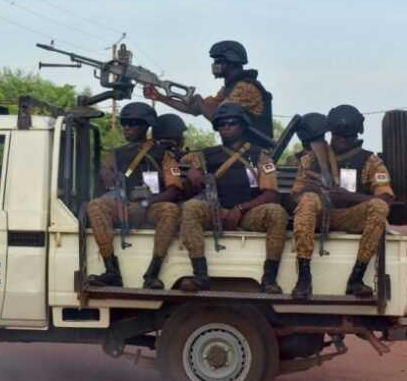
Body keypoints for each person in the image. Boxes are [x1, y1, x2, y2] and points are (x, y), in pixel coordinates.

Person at [178, 103, 288, 292]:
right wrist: (192, 173)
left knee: (277, 213)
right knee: (190, 208)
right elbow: (176, 161)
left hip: (248, 213)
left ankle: (269, 279)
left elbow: (271, 193)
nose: (226, 127)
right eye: (222, 124)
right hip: (216, 210)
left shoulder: (260, 156)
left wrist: (240, 209)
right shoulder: (205, 155)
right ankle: (200, 275)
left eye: (232, 123)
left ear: (243, 126)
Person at [291, 105, 394, 299]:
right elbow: (293, 197)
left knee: (379, 207)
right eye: (337, 136)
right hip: (318, 216)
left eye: (347, 137)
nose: (340, 141)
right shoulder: (310, 159)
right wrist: (310, 189)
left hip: (350, 216)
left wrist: (348, 196)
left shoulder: (370, 161)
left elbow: (387, 197)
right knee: (307, 200)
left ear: (356, 136)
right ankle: (304, 278)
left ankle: (356, 278)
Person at [87, 102, 183, 289]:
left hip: (152, 207)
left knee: (171, 210)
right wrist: (106, 175)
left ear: (146, 126)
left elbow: (174, 189)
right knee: (96, 206)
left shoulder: (164, 155)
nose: (127, 128)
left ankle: (153, 273)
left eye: (133, 124)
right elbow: (105, 180)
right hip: (125, 207)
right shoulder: (115, 154)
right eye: (125, 124)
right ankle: (111, 270)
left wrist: (147, 203)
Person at [143, 40, 273, 138]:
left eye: (217, 61)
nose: (214, 66)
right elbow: (194, 109)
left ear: (230, 62)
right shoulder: (229, 89)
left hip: (255, 151)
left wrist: (200, 102)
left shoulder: (246, 88)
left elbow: (219, 119)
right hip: (239, 149)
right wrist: (160, 97)